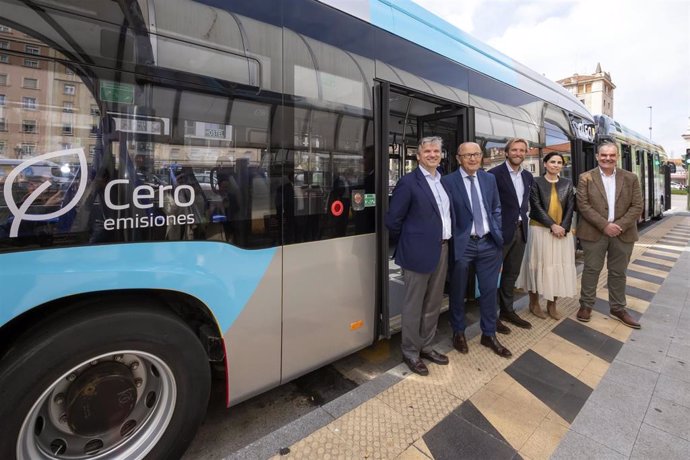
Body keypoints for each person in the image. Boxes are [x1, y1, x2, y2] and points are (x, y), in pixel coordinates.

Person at [385, 136, 451, 375]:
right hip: (416, 252)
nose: (433, 155)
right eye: (427, 151)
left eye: (436, 151)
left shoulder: (444, 180)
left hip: (442, 248)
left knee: (433, 303)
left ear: (441, 154)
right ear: (418, 155)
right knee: (414, 305)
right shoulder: (409, 182)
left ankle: (426, 345)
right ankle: (410, 351)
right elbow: (393, 220)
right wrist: (411, 242)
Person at [442, 142, 511, 358]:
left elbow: (496, 207)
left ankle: (488, 334)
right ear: (458, 158)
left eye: (477, 154)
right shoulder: (447, 181)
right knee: (458, 290)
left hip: (489, 242)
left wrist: (496, 231)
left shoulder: (488, 178)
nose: (473, 159)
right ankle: (458, 332)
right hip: (463, 244)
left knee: (490, 291)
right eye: (468, 155)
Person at [576, 141, 643, 328]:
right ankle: (586, 305)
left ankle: (618, 308)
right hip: (594, 232)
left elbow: (637, 205)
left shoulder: (630, 178)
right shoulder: (585, 178)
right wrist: (605, 225)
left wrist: (618, 225)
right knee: (591, 270)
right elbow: (583, 205)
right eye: (604, 155)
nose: (608, 158)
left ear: (617, 157)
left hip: (623, 233)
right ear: (597, 157)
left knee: (619, 272)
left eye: (612, 155)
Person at [516, 152, 577, 320]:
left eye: (559, 162)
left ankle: (552, 304)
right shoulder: (535, 182)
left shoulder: (567, 183)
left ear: (562, 166)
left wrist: (563, 228)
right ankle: (534, 303)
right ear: (545, 164)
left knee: (558, 268)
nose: (555, 165)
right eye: (552, 162)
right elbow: (535, 207)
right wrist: (552, 225)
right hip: (540, 231)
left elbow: (571, 208)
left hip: (561, 234)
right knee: (536, 267)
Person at [489, 138, 534, 332]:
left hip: (520, 230)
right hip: (500, 233)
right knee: (491, 277)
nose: (518, 153)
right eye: (514, 150)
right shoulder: (493, 175)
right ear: (506, 153)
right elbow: (487, 207)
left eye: (522, 150)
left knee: (511, 275)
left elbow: (525, 204)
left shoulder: (527, 176)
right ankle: (491, 317)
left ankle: (507, 311)